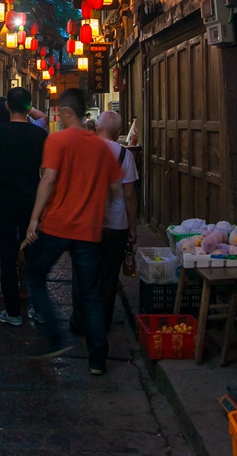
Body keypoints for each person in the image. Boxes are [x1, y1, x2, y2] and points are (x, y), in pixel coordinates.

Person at [24, 88, 124, 375]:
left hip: (58, 225)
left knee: (35, 274)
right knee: (90, 294)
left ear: (67, 112)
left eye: (59, 111)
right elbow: (115, 189)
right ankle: (97, 360)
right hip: (89, 230)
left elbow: (48, 180)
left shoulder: (57, 140)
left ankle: (54, 338)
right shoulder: (101, 148)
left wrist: (34, 219)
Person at [0, 87, 47, 326]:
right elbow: (46, 173)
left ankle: (13, 313)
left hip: (5, 200)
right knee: (34, 254)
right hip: (31, 202)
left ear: (7, 106)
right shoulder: (40, 134)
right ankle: (39, 309)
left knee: (7, 255)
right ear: (29, 106)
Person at [92, 110, 139, 330]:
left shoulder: (85, 151)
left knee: (86, 272)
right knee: (109, 276)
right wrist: (133, 226)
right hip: (116, 224)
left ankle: (83, 318)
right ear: (119, 132)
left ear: (97, 128)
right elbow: (129, 194)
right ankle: (103, 320)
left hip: (88, 222)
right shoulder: (124, 155)